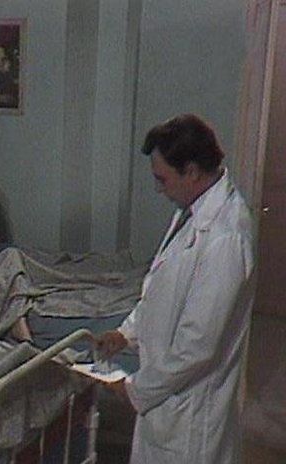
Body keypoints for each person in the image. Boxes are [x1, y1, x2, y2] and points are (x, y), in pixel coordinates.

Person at [96, 114, 255, 463]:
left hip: (191, 414)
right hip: (169, 404)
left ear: (192, 172)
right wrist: (125, 334)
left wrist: (136, 389)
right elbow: (161, 293)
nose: (159, 189)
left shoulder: (226, 238)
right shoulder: (192, 212)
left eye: (162, 179)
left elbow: (197, 345)